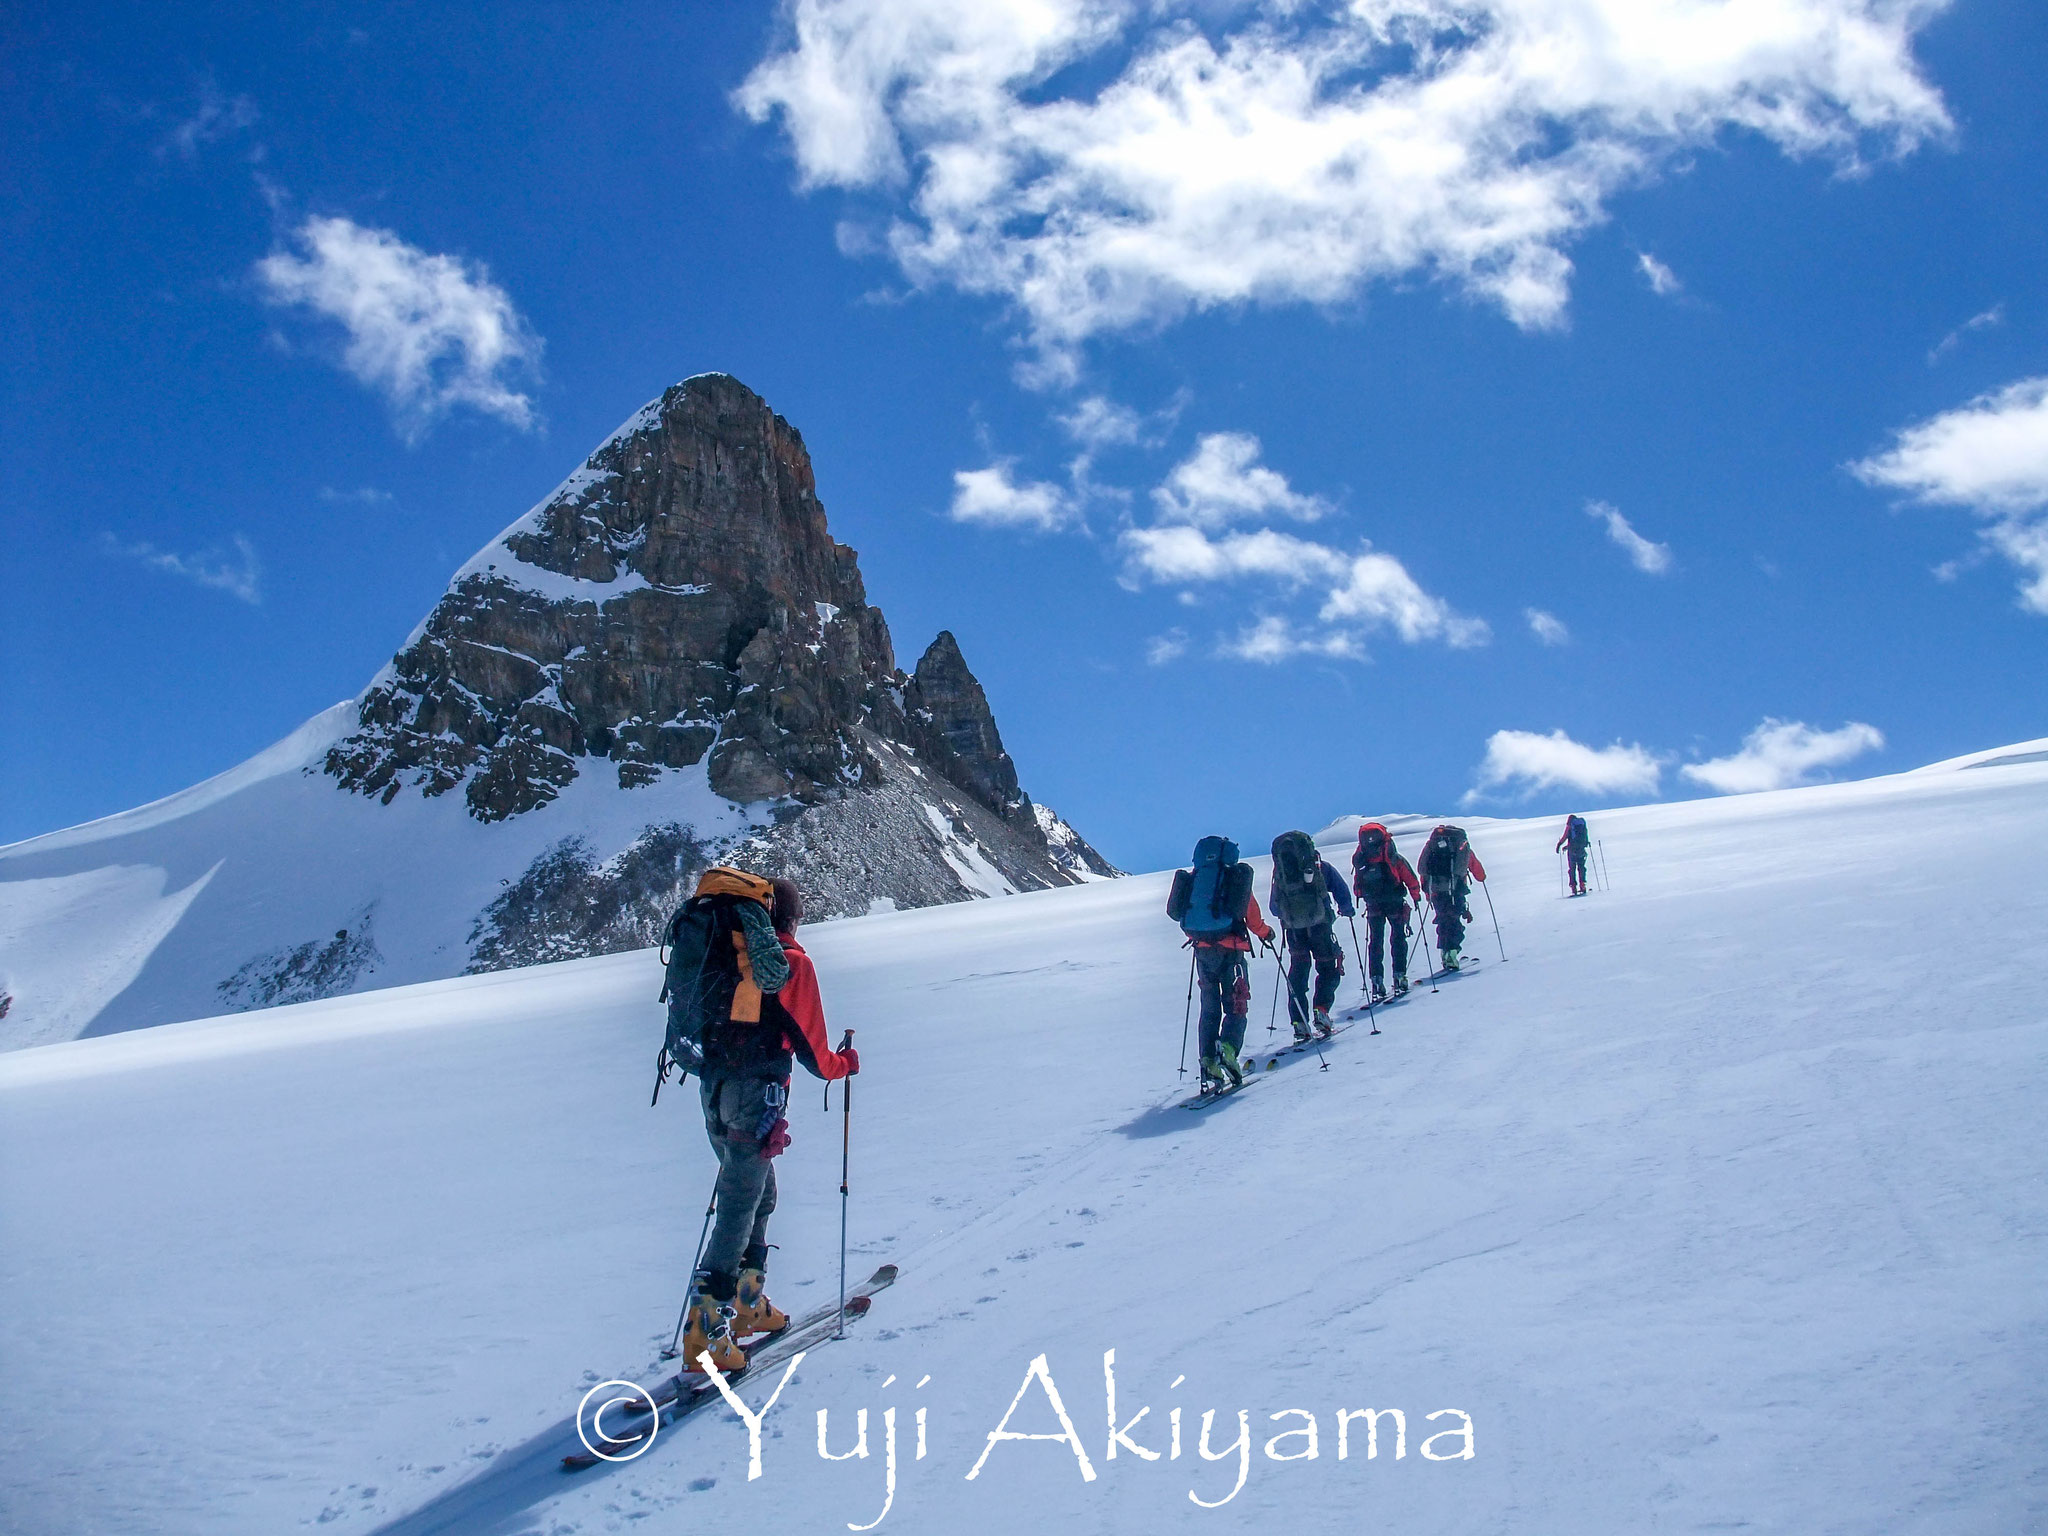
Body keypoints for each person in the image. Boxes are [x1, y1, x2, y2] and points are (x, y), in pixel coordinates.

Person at [660, 868, 858, 1373]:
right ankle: (706, 1331)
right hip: (757, 1093)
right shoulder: (790, 964)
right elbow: (815, 1053)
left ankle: (748, 1304)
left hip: (712, 1087)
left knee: (757, 1193)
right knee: (740, 1202)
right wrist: (844, 1065)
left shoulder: (726, 957)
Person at [1167, 836, 1276, 1091]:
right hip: (1232, 952)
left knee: (1209, 1009)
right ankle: (1227, 1049)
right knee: (1236, 1005)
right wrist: (1266, 933)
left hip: (1203, 952)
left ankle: (1208, 1061)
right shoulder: (1234, 879)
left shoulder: (1196, 879)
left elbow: (1181, 913)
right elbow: (1252, 917)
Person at [1268, 830, 1353, 1041]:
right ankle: (1321, 1010)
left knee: (1298, 971)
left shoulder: (1281, 874)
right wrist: (1346, 908)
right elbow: (1340, 889)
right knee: (1328, 967)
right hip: (1320, 926)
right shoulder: (1318, 867)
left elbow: (1273, 907)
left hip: (1294, 930)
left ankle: (1299, 1022)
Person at [1350, 822, 1422, 1001]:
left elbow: (1357, 888)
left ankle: (1376, 980)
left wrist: (1363, 895)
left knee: (1376, 941)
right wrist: (1416, 895)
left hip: (1373, 905)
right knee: (1398, 938)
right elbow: (1409, 877)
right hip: (1394, 902)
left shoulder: (1363, 859)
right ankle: (1399, 975)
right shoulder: (1392, 856)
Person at [1417, 825, 1486, 971]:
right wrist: (1481, 877)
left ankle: (1445, 953)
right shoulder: (1461, 847)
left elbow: (1424, 870)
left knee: (1443, 920)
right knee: (1454, 921)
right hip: (1456, 890)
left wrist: (1428, 893)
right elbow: (1474, 865)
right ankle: (1452, 954)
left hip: (1437, 890)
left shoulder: (1433, 847)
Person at [1557, 814, 1591, 895]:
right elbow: (1584, 837)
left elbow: (1565, 837)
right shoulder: (1582, 825)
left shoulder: (1570, 826)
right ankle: (1583, 885)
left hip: (1572, 851)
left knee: (1572, 869)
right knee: (1581, 867)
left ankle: (1573, 887)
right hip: (1581, 849)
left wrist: (1559, 844)